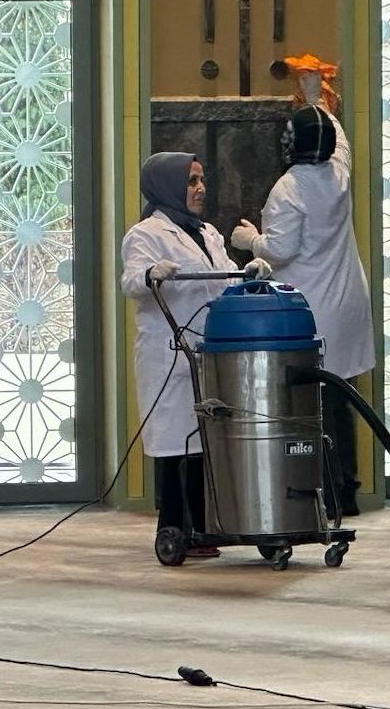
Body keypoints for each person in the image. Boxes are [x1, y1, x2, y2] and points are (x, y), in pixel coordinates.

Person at [120, 152, 271, 557]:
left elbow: (221, 282)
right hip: (168, 354)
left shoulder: (207, 232)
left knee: (207, 442)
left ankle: (207, 528)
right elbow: (132, 280)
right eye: (191, 181)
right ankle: (172, 530)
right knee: (175, 444)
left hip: (210, 351)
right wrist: (151, 274)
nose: (200, 188)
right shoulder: (146, 234)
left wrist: (248, 273)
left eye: (202, 179)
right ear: (167, 184)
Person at [230, 103, 374, 517]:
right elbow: (342, 143)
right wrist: (320, 101)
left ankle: (325, 492)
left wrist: (250, 239)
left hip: (312, 307)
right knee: (342, 399)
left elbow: (282, 249)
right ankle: (345, 488)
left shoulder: (288, 188)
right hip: (348, 302)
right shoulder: (339, 175)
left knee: (315, 406)